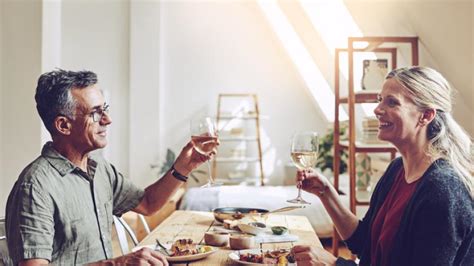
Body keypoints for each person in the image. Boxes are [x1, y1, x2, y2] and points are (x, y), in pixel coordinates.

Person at [5, 69, 214, 265]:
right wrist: (117, 263)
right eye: (95, 113)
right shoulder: (35, 187)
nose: (107, 120)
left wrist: (183, 167)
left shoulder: (99, 169)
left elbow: (148, 203)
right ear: (63, 125)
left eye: (104, 109)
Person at [291, 66, 473, 265]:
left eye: (392, 102)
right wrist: (325, 192)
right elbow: (364, 242)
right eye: (380, 100)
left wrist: (333, 264)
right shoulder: (397, 170)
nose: (377, 110)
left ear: (426, 115)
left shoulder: (443, 190)